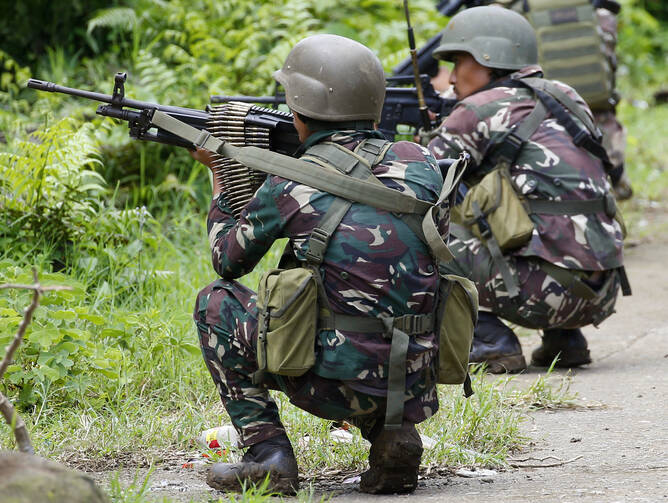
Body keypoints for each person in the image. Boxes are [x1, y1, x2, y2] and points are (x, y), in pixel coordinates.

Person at [191, 34, 453, 494]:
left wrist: (219, 177)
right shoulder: (423, 163)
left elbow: (226, 261)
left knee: (215, 303)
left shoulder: (288, 184)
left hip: (327, 381)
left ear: (298, 108)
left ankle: (267, 454)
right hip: (412, 377)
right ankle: (395, 435)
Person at [427, 6, 630, 373]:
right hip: (603, 291)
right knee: (538, 212)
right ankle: (564, 339)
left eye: (460, 62)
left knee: (424, 234)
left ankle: (492, 340)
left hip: (545, 295)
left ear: (489, 59)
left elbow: (421, 183)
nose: (453, 77)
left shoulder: (475, 110)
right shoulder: (568, 95)